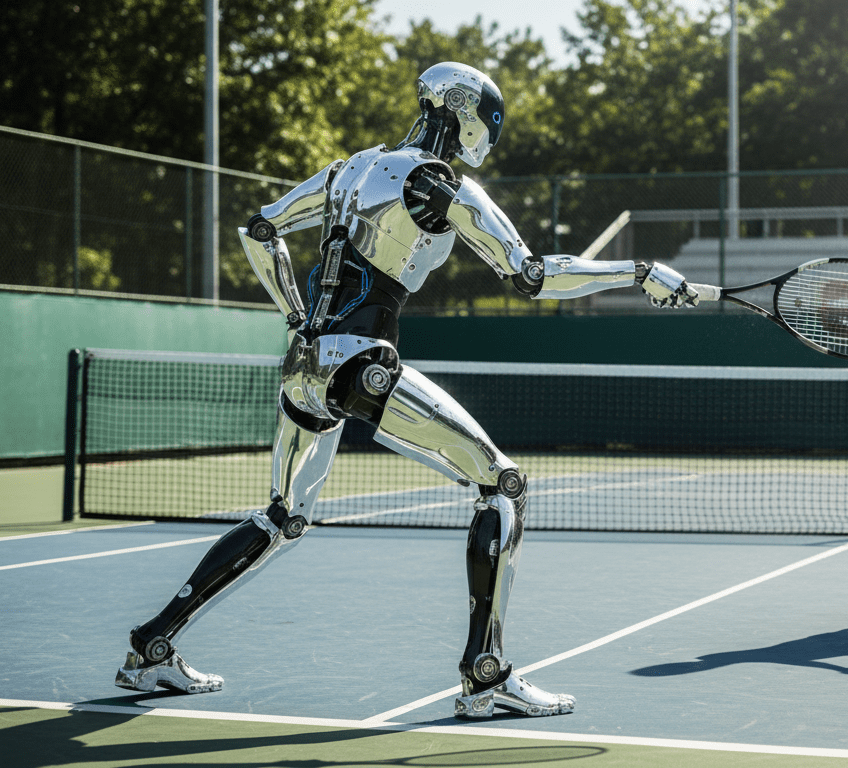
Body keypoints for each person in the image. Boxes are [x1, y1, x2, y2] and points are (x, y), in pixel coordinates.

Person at [113, 62, 699, 717]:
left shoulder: (352, 167)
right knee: (501, 486)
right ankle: (486, 673)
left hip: (303, 363)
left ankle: (150, 647)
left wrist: (294, 314)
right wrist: (637, 271)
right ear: (470, 118)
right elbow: (531, 275)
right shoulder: (440, 184)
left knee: (282, 516)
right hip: (363, 362)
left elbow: (262, 227)